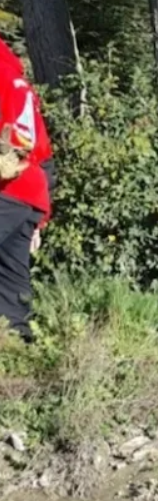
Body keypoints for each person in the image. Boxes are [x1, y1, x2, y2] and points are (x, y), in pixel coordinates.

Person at [0, 38, 55, 342]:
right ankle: (19, 343)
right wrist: (40, 218)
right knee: (11, 272)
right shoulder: (18, 82)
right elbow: (44, 155)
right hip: (30, 192)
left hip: (8, 186)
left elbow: (16, 149)